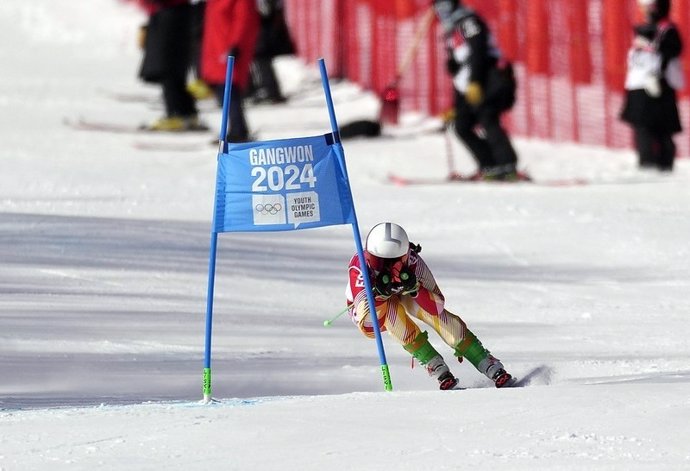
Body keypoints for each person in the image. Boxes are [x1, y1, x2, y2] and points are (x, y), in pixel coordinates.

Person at [346, 222, 513, 390]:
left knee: (434, 314)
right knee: (393, 316)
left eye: (396, 261)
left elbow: (437, 306)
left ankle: (486, 362)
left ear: (405, 254)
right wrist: (379, 296)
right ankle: (435, 365)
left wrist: (416, 290)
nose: (389, 269)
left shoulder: (412, 262)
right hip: (373, 306)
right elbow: (370, 327)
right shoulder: (360, 267)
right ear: (370, 257)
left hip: (403, 293)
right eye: (380, 263)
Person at [433, 0, 519, 181]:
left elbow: (478, 50)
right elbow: (459, 70)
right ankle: (490, 166)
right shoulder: (451, 29)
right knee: (461, 125)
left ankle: (507, 165)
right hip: (468, 86)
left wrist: (475, 82)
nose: (439, 11)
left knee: (487, 117)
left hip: (490, 78)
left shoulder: (468, 21)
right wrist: (456, 106)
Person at [621, 0, 683, 172]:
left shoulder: (667, 31)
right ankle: (647, 164)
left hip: (660, 88)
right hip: (640, 87)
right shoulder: (644, 30)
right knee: (643, 128)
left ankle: (662, 164)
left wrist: (658, 73)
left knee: (661, 129)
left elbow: (672, 51)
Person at [137, 0, 206, 131]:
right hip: (172, 14)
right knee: (174, 67)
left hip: (170, 16)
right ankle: (187, 113)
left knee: (167, 67)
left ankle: (175, 114)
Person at [201, 0, 260, 142]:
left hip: (229, 48)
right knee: (224, 90)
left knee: (230, 90)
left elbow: (244, 19)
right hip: (217, 46)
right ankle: (236, 129)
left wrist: (236, 44)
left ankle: (239, 130)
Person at [247, 0, 296, 104]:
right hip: (260, 31)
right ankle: (266, 90)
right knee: (260, 63)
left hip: (262, 33)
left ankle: (271, 92)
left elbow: (266, 11)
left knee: (263, 62)